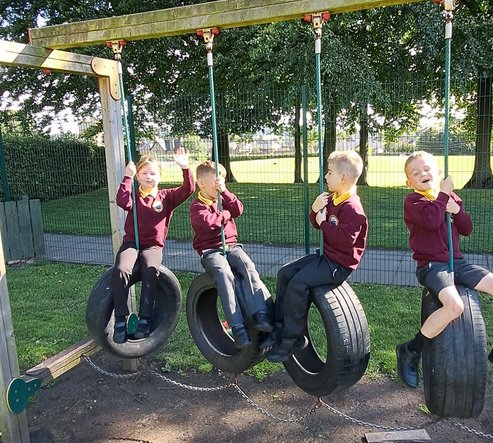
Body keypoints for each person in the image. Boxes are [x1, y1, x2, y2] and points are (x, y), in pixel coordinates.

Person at [396, 150, 493, 386]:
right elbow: (430, 220)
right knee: (454, 306)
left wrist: (456, 209)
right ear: (409, 182)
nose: (422, 174)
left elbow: (467, 228)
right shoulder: (413, 201)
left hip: (458, 262)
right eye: (415, 173)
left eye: (427, 169)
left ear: (439, 173)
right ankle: (411, 349)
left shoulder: (448, 198)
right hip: (432, 266)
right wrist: (443, 196)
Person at [267, 150, 368, 363]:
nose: (325, 177)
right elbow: (316, 223)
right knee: (285, 273)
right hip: (326, 256)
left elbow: (344, 240)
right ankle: (277, 325)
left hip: (339, 264)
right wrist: (315, 211)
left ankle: (293, 338)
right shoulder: (333, 198)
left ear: (343, 178)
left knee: (298, 283)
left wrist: (322, 222)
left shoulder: (353, 208)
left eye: (329, 172)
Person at [113, 147, 195, 343]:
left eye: (153, 173)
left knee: (151, 270)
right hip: (132, 243)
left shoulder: (166, 197)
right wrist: (127, 177)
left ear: (160, 175)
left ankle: (145, 319)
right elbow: (121, 201)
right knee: (122, 269)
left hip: (153, 247)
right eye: (144, 173)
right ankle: (120, 320)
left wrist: (185, 168)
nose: (148, 177)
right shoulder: (133, 194)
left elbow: (188, 189)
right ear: (137, 176)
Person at [190, 161, 273, 348]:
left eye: (222, 180)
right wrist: (226, 214)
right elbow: (211, 223)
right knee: (224, 273)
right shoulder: (196, 207)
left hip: (232, 246)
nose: (219, 185)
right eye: (215, 182)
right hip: (211, 251)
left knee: (247, 266)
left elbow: (238, 209)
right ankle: (237, 327)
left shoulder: (223, 198)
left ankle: (261, 315)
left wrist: (225, 193)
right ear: (201, 183)